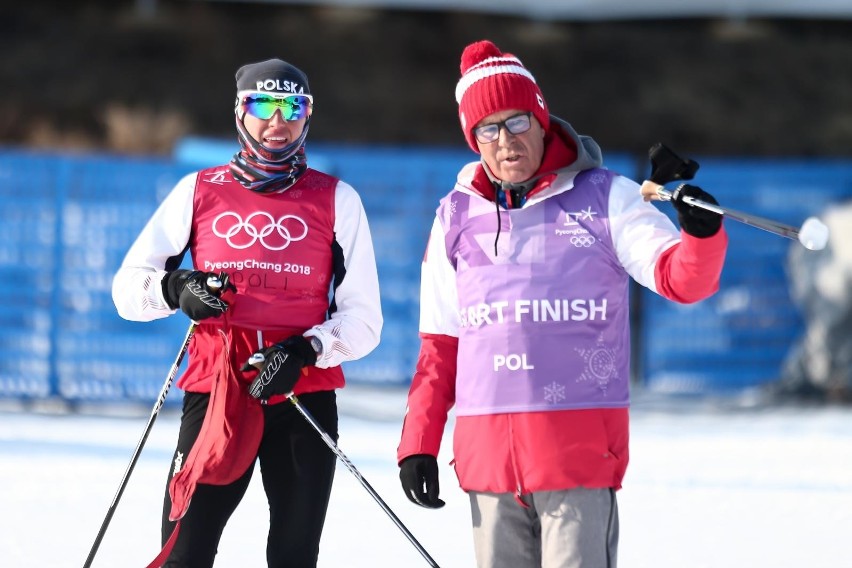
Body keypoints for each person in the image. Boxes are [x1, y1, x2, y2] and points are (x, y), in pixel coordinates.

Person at [396, 40, 728, 568]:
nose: (505, 141)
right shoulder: (453, 216)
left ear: (542, 118)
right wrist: (418, 442)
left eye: (517, 122)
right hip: (487, 462)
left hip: (576, 457)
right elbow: (441, 345)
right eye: (489, 128)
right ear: (473, 139)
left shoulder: (606, 197)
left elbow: (680, 279)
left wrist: (702, 236)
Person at [112, 58, 382, 568]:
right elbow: (127, 290)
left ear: (307, 117)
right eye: (264, 105)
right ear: (240, 112)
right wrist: (176, 288)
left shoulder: (337, 200)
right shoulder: (198, 191)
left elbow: (365, 319)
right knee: (183, 552)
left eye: (292, 107)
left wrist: (307, 349)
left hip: (299, 391)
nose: (277, 121)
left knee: (294, 555)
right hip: (217, 389)